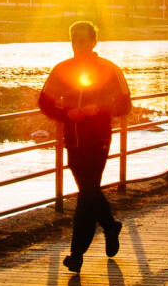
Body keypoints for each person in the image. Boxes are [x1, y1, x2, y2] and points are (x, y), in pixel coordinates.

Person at [38, 21, 132, 272]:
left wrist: (98, 109)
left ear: (93, 42)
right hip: (73, 140)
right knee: (89, 193)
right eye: (74, 40)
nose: (78, 45)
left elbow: (124, 105)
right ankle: (110, 226)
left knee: (88, 192)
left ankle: (76, 255)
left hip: (98, 138)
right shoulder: (62, 70)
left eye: (83, 40)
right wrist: (68, 114)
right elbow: (44, 102)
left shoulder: (109, 69)